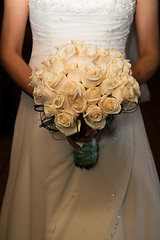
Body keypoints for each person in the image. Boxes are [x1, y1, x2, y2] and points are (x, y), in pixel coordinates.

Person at [0, 0, 160, 239]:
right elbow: (9, 52)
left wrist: (112, 96)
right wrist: (56, 101)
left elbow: (151, 53)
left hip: (117, 111)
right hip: (41, 108)